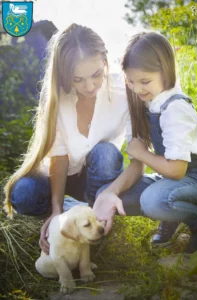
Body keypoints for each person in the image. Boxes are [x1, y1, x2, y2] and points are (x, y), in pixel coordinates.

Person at [4, 23, 129, 254]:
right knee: (23, 194)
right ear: (64, 75)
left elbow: (137, 147)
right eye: (77, 79)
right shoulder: (59, 98)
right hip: (61, 176)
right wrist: (56, 211)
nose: (89, 86)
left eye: (96, 74)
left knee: (106, 153)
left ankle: (97, 211)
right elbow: (59, 158)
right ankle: (79, 213)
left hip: (99, 177)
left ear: (104, 60)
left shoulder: (122, 90)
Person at [93, 31, 197, 254]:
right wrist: (108, 194)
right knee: (106, 192)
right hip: (168, 178)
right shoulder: (143, 101)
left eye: (145, 81)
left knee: (153, 201)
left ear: (166, 70)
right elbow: (137, 161)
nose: (137, 89)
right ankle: (171, 214)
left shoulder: (175, 108)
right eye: (131, 81)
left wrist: (143, 154)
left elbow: (177, 170)